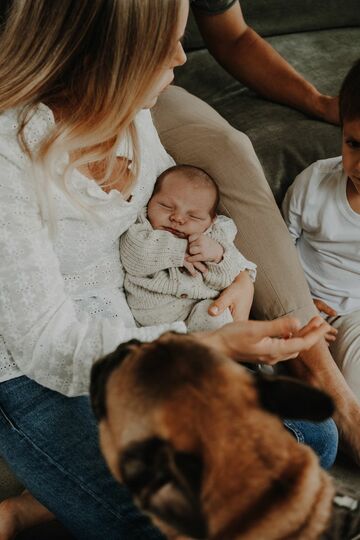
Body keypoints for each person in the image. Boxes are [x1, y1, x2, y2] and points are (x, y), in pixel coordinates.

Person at [0, 1, 338, 539]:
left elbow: (186, 224)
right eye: (168, 45)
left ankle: (40, 506)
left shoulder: (130, 112)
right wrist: (208, 347)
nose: (183, 57)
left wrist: (241, 276)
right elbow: (47, 343)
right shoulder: (10, 154)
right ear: (112, 56)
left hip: (132, 330)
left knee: (308, 434)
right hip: (26, 370)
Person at [152, 0, 360, 459]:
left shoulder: (169, 58)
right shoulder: (316, 190)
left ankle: (327, 386)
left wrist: (321, 103)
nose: (183, 53)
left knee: (228, 145)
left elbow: (234, 35)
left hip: (146, 77)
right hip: (34, 76)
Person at [282, 58, 360, 402]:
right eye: (354, 145)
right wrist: (299, 300)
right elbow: (277, 251)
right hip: (310, 306)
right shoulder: (315, 183)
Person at [121, 164, 256, 332]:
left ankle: (223, 354)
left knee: (217, 317)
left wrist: (218, 256)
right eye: (166, 206)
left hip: (199, 312)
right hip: (153, 320)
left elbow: (226, 279)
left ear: (211, 221)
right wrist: (180, 249)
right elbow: (133, 258)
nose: (177, 218)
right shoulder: (143, 227)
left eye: (193, 216)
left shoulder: (214, 237)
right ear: (149, 202)